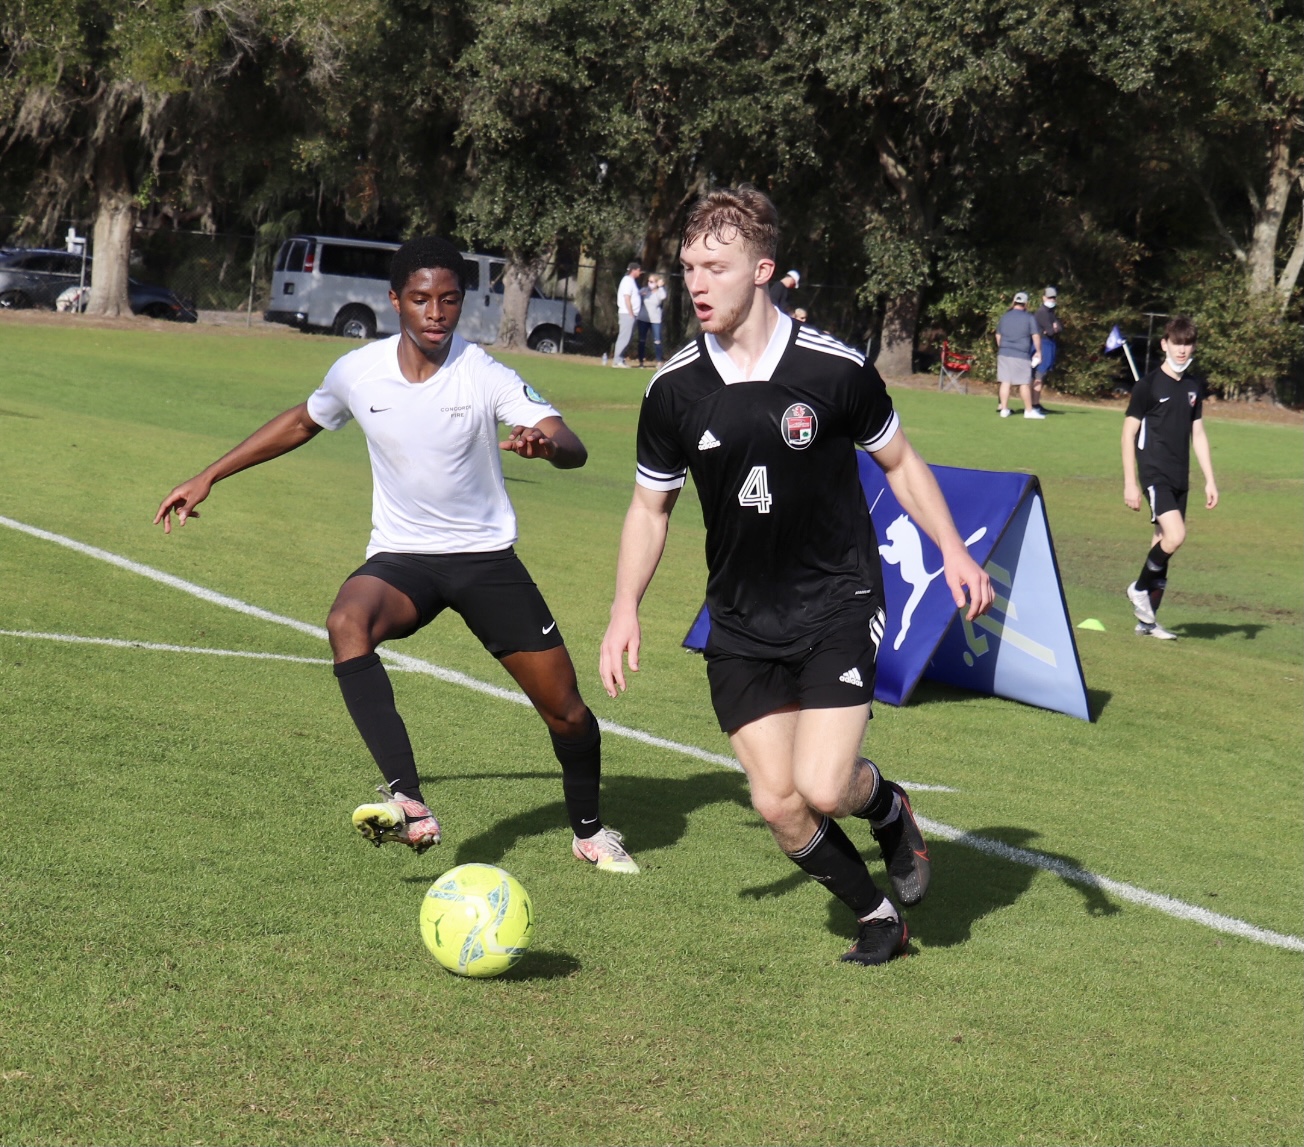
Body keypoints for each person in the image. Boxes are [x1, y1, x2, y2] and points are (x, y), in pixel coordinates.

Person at [154, 237, 639, 874]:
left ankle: (589, 832)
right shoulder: (359, 371)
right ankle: (408, 800)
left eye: (448, 300)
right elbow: (302, 420)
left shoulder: (484, 373)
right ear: (395, 302)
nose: (435, 312)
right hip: (403, 559)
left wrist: (546, 446)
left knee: (568, 714)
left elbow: (569, 443)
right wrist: (210, 475)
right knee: (345, 623)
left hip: (484, 561)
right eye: (420, 299)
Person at [599, 187, 993, 965]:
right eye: (687, 268)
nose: (697, 284)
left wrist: (953, 546)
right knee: (778, 803)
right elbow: (651, 509)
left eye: (716, 266)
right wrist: (623, 608)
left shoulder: (834, 369)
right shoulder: (672, 388)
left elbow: (900, 461)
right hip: (740, 620)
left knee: (820, 783)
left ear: (764, 271)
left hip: (836, 599)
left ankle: (882, 802)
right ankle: (880, 914)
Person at [1121, 315, 1218, 641]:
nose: (1182, 349)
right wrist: (1130, 481)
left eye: (1188, 343)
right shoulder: (1147, 386)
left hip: (1180, 477)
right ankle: (1137, 589)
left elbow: (1198, 434)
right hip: (1154, 473)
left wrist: (1210, 479)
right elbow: (1127, 434)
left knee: (1162, 543)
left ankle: (1147, 623)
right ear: (1165, 344)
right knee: (1175, 536)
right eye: (1177, 343)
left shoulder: (1193, 387)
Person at [994, 292, 1043, 419]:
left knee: (1005, 382)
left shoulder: (1005, 317)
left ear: (1014, 302)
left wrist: (1003, 347)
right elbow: (1035, 335)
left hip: (1004, 353)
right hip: (1021, 354)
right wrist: (1038, 351)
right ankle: (1029, 411)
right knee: (1024, 383)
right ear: (1026, 304)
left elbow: (998, 335)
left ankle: (1004, 409)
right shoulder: (1029, 318)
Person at [1032, 286, 1062, 412]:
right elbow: (1050, 331)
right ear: (1044, 298)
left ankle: (1035, 403)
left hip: (1048, 344)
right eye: (1050, 297)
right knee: (1039, 374)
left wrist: (1054, 328)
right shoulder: (1042, 312)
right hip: (1042, 344)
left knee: (1041, 375)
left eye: (1053, 297)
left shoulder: (1051, 312)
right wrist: (1053, 328)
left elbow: (1059, 328)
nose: (1052, 299)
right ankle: (1034, 404)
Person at [612, 261, 642, 367]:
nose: (640, 272)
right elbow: (627, 297)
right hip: (627, 314)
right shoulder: (627, 281)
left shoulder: (631, 281)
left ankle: (621, 358)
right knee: (624, 337)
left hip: (631, 314)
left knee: (627, 337)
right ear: (633, 270)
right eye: (638, 270)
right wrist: (631, 313)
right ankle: (617, 360)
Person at [637, 273, 667, 368]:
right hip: (643, 319)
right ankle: (641, 362)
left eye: (652, 281)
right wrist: (641, 294)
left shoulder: (660, 292)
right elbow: (637, 295)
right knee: (642, 340)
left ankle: (659, 361)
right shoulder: (644, 290)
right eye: (649, 281)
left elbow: (663, 297)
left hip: (655, 320)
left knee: (657, 340)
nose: (650, 283)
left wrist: (661, 287)